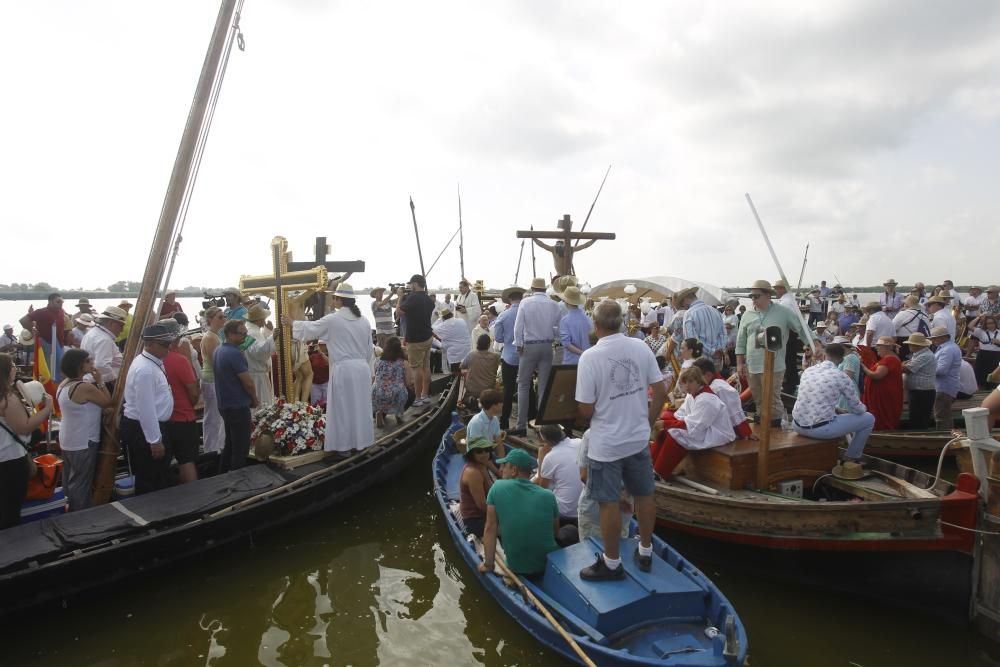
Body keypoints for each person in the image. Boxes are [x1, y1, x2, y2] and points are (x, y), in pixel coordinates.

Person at [576, 300, 665, 580]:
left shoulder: (589, 357)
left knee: (608, 502)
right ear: (623, 322)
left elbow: (586, 408)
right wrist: (646, 425)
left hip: (607, 445)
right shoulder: (640, 347)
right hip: (638, 439)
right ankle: (646, 550)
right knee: (645, 494)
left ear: (595, 324)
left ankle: (612, 563)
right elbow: (661, 392)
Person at [288, 283, 374, 456]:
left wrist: (291, 323)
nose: (332, 300)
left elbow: (310, 329)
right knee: (360, 407)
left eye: (334, 297)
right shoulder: (364, 320)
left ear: (339, 300)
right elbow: (369, 349)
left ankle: (343, 449)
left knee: (343, 409)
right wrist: (369, 370)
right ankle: (360, 443)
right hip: (362, 368)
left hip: (344, 369)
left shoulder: (333, 319)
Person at [736, 280, 819, 427]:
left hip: (774, 364)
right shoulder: (747, 314)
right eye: (751, 296)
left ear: (768, 295)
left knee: (772, 398)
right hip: (752, 365)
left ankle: (774, 430)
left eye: (756, 296)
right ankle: (762, 425)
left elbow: (801, 328)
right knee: (758, 398)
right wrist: (739, 363)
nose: (753, 299)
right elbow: (740, 340)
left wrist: (815, 345)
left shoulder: (783, 312)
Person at [791, 344, 875, 475]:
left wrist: (836, 409)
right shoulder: (841, 376)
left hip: (797, 425)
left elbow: (812, 398)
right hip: (820, 430)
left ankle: (849, 453)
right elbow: (858, 409)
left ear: (824, 355)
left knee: (838, 414)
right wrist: (864, 408)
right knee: (869, 418)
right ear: (842, 360)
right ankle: (851, 457)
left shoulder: (808, 371)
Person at [478, 448, 560, 577]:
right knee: (570, 531)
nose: (500, 470)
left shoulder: (497, 487)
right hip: (547, 564)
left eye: (504, 466)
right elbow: (555, 531)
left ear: (514, 470)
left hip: (517, 567)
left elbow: (489, 528)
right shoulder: (549, 495)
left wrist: (488, 565)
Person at [650, 366, 736, 479]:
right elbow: (680, 415)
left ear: (698, 381)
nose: (687, 386)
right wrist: (664, 423)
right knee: (666, 431)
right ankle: (651, 466)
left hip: (717, 433)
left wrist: (665, 424)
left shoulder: (707, 400)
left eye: (690, 382)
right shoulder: (693, 395)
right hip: (702, 428)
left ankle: (659, 472)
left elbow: (695, 426)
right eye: (685, 383)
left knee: (675, 433)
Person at [0, 353, 55, 527]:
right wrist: (47, 409)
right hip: (10, 461)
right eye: (13, 365)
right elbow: (23, 427)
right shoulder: (7, 398)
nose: (16, 368)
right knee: (10, 509)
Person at [121, 323, 176, 494]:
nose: (168, 348)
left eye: (169, 344)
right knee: (150, 478)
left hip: (150, 426)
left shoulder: (152, 362)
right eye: (164, 345)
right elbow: (146, 408)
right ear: (149, 344)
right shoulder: (145, 370)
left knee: (157, 475)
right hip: (144, 429)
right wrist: (155, 441)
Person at [56, 348, 112, 511]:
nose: (92, 363)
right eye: (88, 361)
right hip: (83, 441)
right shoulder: (83, 387)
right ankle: (81, 519)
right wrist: (100, 380)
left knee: (70, 482)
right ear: (79, 365)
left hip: (68, 439)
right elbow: (108, 402)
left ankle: (70, 512)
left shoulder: (64, 384)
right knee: (81, 484)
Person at [512, 278, 562, 436]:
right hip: (547, 346)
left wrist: (519, 344)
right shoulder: (554, 305)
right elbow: (558, 329)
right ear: (545, 289)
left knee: (523, 385)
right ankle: (542, 427)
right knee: (543, 387)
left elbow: (518, 327)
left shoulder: (525, 303)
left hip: (530, 346)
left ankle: (521, 425)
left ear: (532, 288)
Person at [214, 319, 259, 472]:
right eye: (242, 334)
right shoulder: (234, 353)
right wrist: (254, 399)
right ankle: (237, 479)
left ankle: (222, 474)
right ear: (230, 334)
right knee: (240, 447)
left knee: (230, 443)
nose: (245, 337)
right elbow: (248, 382)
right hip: (237, 405)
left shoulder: (219, 350)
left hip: (224, 405)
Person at [535, 424, 583, 545]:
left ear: (545, 441)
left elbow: (542, 490)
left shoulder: (550, 457)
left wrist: (541, 457)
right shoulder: (580, 442)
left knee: (538, 499)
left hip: (564, 512)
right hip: (583, 507)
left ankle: (553, 537)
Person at [692, 357, 753, 438]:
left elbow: (734, 412)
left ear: (708, 375)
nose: (695, 380)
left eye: (697, 377)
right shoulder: (707, 384)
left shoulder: (720, 388)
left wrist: (746, 433)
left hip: (719, 431)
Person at [491, 286, 525, 431]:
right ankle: (529, 418)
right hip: (525, 355)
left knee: (508, 390)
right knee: (527, 388)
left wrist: (507, 338)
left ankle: (504, 421)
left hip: (509, 355)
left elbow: (498, 337)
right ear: (521, 297)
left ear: (510, 299)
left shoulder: (504, 315)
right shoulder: (527, 312)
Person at [398, 274, 435, 406]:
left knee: (416, 368)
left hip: (415, 339)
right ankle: (425, 395)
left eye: (411, 284)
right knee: (426, 366)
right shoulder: (429, 299)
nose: (409, 286)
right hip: (427, 336)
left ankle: (417, 398)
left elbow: (399, 313)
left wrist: (400, 297)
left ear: (415, 284)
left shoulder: (413, 298)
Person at [19, 293, 67, 381]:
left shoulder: (61, 311)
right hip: (46, 344)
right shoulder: (41, 312)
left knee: (60, 369)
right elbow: (23, 320)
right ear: (50, 302)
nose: (61, 304)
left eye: (62, 302)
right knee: (48, 370)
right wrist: (32, 330)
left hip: (59, 344)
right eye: (58, 301)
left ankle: (58, 386)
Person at [860, 336, 904, 430]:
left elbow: (877, 375)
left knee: (883, 417)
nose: (876, 348)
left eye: (879, 346)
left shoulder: (889, 359)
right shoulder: (888, 359)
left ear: (886, 348)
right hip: (883, 395)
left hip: (884, 396)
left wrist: (863, 367)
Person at [199, 306, 226, 454]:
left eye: (224, 317)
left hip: (216, 379)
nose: (224, 319)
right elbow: (215, 361)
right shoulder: (210, 337)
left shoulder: (216, 335)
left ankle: (217, 445)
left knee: (218, 415)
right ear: (211, 320)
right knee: (213, 415)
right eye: (220, 317)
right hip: (211, 380)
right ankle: (211, 447)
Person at [81, 306, 126, 390]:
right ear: (111, 323)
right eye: (121, 325)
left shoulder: (92, 332)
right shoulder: (104, 339)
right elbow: (102, 365)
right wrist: (115, 382)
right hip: (103, 384)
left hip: (93, 380)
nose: (122, 330)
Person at [459, 437, 495, 538]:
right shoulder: (473, 473)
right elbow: (482, 505)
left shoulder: (481, 466)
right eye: (479, 451)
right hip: (475, 520)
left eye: (487, 450)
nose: (484, 454)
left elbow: (491, 490)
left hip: (483, 514)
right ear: (472, 454)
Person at [372, 336, 410, 427]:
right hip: (395, 394)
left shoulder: (378, 360)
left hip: (377, 393)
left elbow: (374, 377)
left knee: (382, 392)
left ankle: (380, 413)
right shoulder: (402, 362)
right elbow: (407, 381)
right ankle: (398, 414)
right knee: (407, 393)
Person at [901, 333, 936, 430]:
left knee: (919, 420)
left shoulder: (925, 355)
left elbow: (906, 369)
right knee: (916, 418)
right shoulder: (919, 354)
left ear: (918, 345)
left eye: (911, 344)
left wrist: (898, 364)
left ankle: (920, 439)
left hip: (922, 392)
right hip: (919, 391)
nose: (909, 346)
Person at [461, 334, 500, 409]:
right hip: (488, 391)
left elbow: (461, 366)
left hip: (472, 391)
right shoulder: (496, 357)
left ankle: (471, 400)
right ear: (488, 345)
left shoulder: (471, 355)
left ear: (477, 344)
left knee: (465, 399)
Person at [467, 388, 506, 458]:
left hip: (487, 452)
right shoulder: (477, 423)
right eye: (501, 403)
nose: (502, 405)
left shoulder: (495, 420)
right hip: (476, 458)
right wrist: (495, 469)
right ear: (494, 406)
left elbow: (499, 444)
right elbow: (478, 454)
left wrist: (502, 463)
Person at [433, 309, 471, 375]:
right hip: (467, 351)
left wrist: (439, 319)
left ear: (443, 317)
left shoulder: (444, 325)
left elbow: (432, 328)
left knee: (456, 374)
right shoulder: (461, 320)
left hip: (455, 354)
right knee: (467, 373)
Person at [969, 315, 1000, 387]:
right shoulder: (981, 332)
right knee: (980, 373)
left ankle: (992, 387)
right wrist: (979, 317)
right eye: (988, 323)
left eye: (992, 323)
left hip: (996, 355)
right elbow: (970, 326)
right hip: (983, 355)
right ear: (985, 325)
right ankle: (981, 387)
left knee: (993, 374)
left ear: (995, 323)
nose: (991, 325)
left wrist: (998, 342)